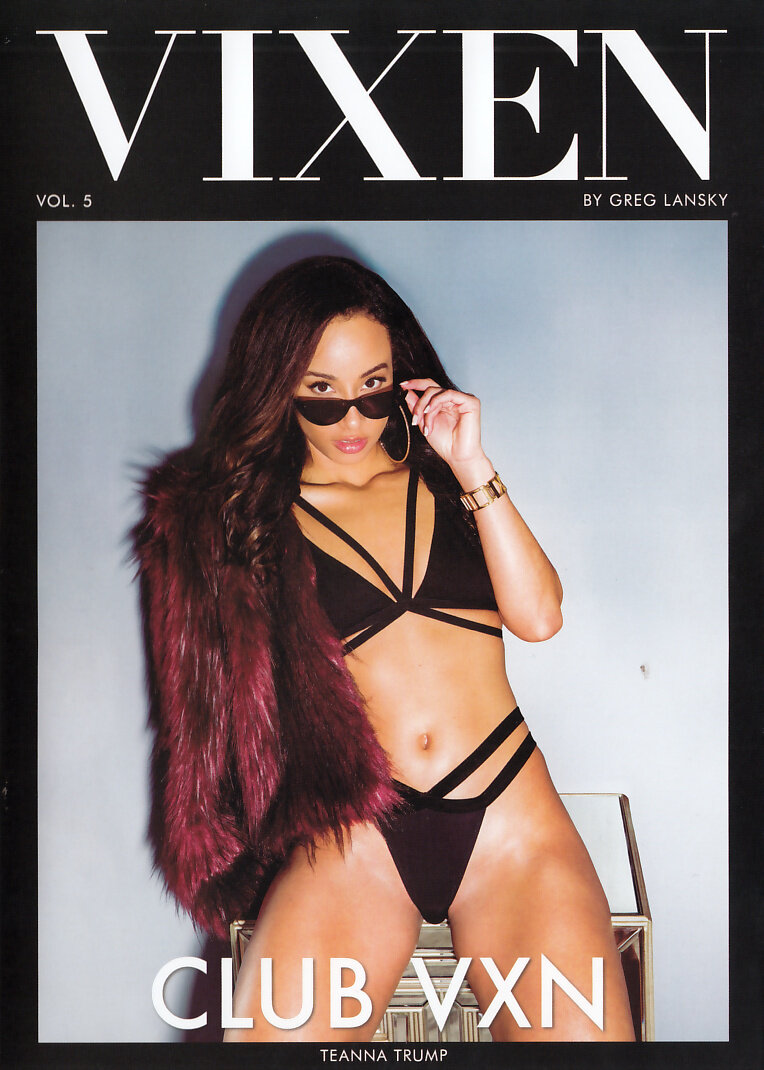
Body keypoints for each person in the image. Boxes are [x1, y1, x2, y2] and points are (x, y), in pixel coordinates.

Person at [134, 255, 635, 1041]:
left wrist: (470, 462)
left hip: (510, 820)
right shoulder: (248, 521)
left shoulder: (446, 480)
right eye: (322, 394)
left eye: (372, 387)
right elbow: (212, 715)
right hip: (359, 839)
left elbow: (540, 617)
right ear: (279, 387)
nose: (353, 420)